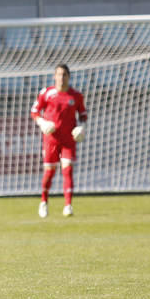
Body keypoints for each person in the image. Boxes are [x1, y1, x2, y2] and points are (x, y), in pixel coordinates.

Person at [31, 64, 87, 218]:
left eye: (64, 75)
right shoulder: (47, 93)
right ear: (54, 76)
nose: (61, 78)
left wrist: (81, 128)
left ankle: (68, 205)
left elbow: (83, 115)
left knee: (67, 170)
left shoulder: (76, 96)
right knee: (50, 172)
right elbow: (34, 111)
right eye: (59, 74)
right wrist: (42, 123)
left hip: (68, 139)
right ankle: (43, 202)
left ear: (69, 77)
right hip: (51, 139)